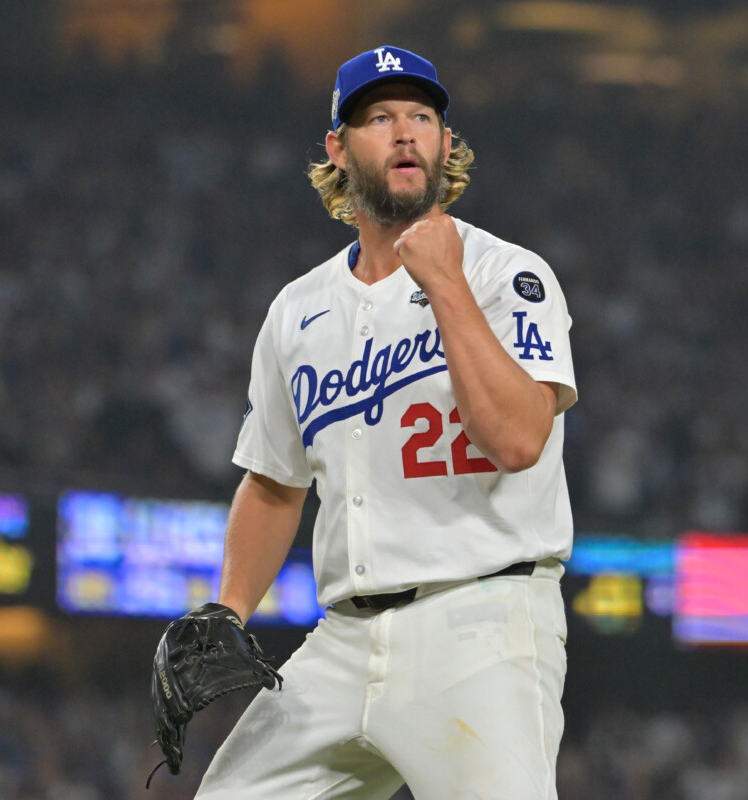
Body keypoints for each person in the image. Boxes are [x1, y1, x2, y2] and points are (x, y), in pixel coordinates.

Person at [197, 45, 577, 799]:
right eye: (379, 117)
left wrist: (443, 282)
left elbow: (517, 437)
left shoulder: (507, 275)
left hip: (481, 624)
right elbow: (274, 483)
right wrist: (227, 610)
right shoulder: (296, 310)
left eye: (421, 117)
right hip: (342, 640)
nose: (405, 133)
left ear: (443, 142)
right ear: (338, 149)